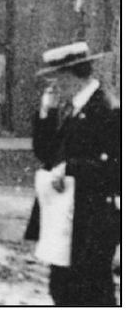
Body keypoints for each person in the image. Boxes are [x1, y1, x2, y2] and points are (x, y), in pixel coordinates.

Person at [22, 41, 120, 306]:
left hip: (93, 221)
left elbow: (118, 169)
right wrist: (47, 112)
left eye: (54, 80)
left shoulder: (108, 110)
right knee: (63, 288)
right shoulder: (75, 107)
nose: (52, 87)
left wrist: (73, 169)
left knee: (90, 292)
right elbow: (47, 153)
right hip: (69, 219)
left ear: (68, 76)